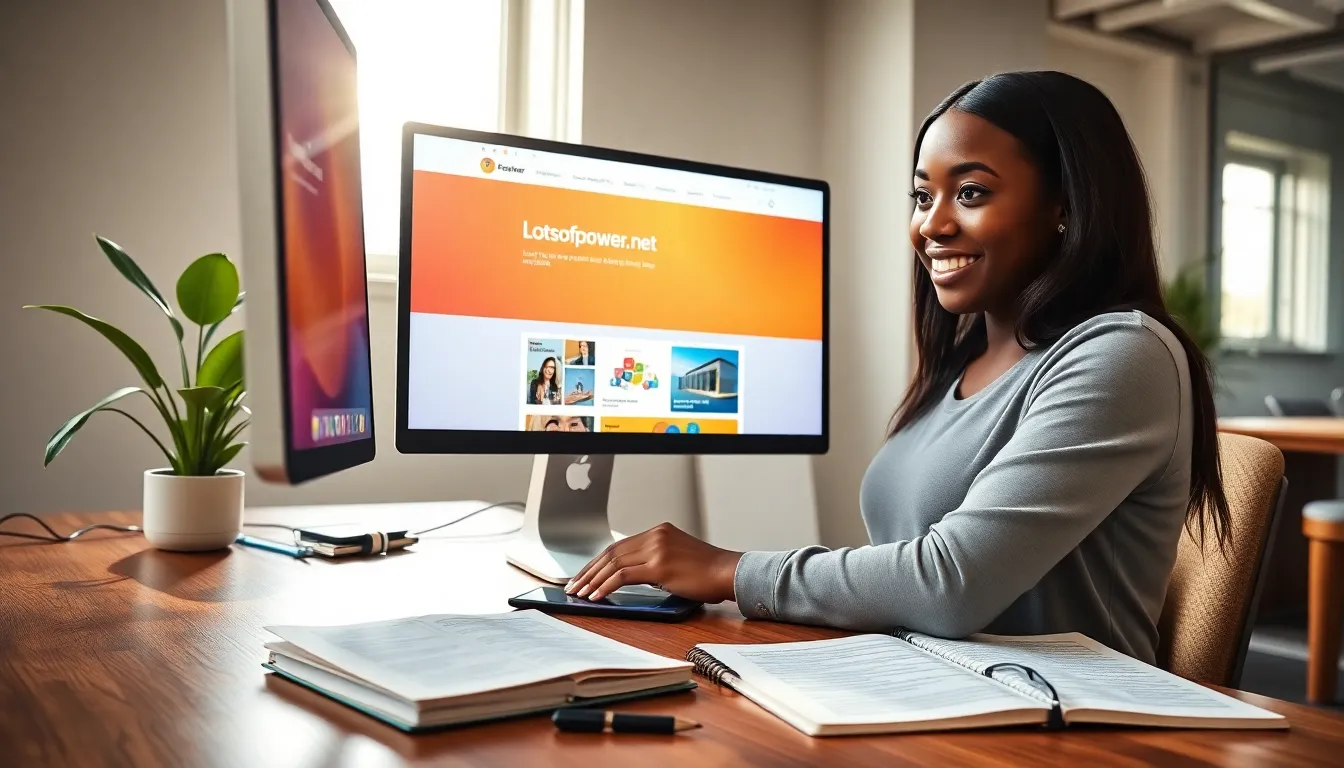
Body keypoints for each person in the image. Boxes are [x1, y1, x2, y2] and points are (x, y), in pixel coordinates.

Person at [564, 71, 1231, 665]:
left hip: (1060, 730)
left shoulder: (1121, 354)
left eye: (970, 192)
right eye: (921, 196)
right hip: (929, 692)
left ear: (1066, 207)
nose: (930, 226)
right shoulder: (963, 358)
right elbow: (912, 571)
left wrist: (730, 570)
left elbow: (952, 583)